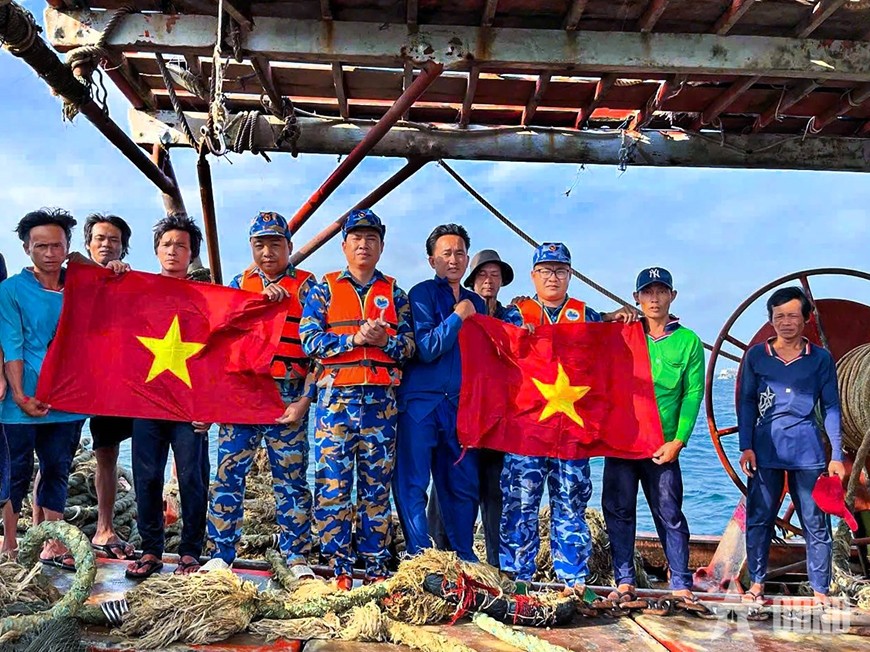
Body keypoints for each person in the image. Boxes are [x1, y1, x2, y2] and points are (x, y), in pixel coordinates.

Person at [504, 242, 636, 595]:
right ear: (533, 276)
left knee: (571, 505)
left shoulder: (587, 315)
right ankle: (518, 578)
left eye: (560, 271)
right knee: (520, 503)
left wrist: (616, 319)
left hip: (571, 433)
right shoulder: (515, 316)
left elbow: (612, 351)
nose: (553, 277)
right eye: (545, 271)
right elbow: (492, 348)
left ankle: (572, 579)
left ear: (570, 275)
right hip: (528, 432)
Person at [300, 209, 415, 589]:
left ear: (381, 246)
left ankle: (375, 560)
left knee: (375, 486)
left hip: (381, 403)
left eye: (371, 238)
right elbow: (310, 341)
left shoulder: (396, 294)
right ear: (344, 245)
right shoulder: (324, 290)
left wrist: (387, 342)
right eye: (356, 238)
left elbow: (410, 348)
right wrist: (355, 340)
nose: (363, 244)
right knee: (332, 482)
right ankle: (337, 560)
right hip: (336, 402)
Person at [207, 212, 317, 577]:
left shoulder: (309, 287)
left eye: (275, 244)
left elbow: (319, 352)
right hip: (243, 394)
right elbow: (222, 338)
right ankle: (221, 554)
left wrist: (305, 400)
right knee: (228, 475)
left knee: (292, 479)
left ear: (288, 246)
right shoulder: (239, 284)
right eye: (260, 244)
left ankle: (296, 556)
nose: (267, 252)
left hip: (287, 393)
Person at [601, 267, 704, 605]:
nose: (655, 298)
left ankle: (681, 584)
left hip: (662, 446)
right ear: (636, 298)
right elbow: (583, 333)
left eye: (661, 291)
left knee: (670, 513)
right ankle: (625, 581)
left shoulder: (687, 341)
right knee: (618, 511)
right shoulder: (623, 334)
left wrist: (679, 440)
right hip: (622, 442)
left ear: (672, 296)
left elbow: (692, 394)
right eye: (648, 292)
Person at [738, 286, 845, 605]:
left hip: (808, 453)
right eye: (778, 316)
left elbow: (832, 407)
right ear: (771, 320)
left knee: (815, 521)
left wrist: (837, 455)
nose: (785, 322)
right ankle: (756, 585)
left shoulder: (821, 359)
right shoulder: (756, 355)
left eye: (792, 315)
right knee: (760, 518)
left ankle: (820, 591)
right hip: (765, 451)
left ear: (806, 319)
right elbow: (746, 401)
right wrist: (746, 446)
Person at [125, 214, 212, 579]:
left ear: (192, 252)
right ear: (156, 251)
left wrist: (211, 405)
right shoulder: (138, 291)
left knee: (193, 477)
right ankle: (151, 551)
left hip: (190, 405)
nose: (173, 251)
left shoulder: (207, 298)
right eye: (166, 245)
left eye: (181, 245)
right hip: (146, 401)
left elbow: (219, 353)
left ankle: (191, 552)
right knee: (146, 478)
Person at [394, 224, 486, 563]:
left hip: (460, 408)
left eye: (460, 252)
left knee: (462, 485)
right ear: (432, 259)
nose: (454, 259)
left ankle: (464, 556)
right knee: (413, 483)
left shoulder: (477, 301)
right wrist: (458, 317)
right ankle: (420, 555)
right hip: (420, 405)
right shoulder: (419, 294)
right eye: (446, 253)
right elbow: (427, 347)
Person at [0, 209, 86, 568]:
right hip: (20, 400)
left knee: (57, 466)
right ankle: (9, 541)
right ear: (26, 249)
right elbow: (12, 342)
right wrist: (19, 395)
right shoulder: (11, 289)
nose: (50, 253)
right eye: (41, 246)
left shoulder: (84, 285)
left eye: (57, 245)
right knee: (15, 470)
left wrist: (108, 270)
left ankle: (53, 539)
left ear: (67, 247)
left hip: (69, 398)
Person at [427, 249, 522, 567]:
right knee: (446, 487)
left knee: (494, 491)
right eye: (483, 274)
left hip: (497, 419)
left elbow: (530, 347)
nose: (489, 280)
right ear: (472, 279)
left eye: (495, 275)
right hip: (457, 413)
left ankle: (495, 565)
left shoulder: (512, 317)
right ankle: (436, 559)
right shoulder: (457, 311)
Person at [83, 214, 136, 559]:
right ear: (88, 244)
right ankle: (47, 536)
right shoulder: (71, 276)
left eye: (114, 239)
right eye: (100, 238)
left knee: (111, 453)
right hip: (74, 380)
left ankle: (106, 528)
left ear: (123, 246)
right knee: (56, 459)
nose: (106, 244)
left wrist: (126, 278)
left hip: (119, 382)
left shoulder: (132, 282)